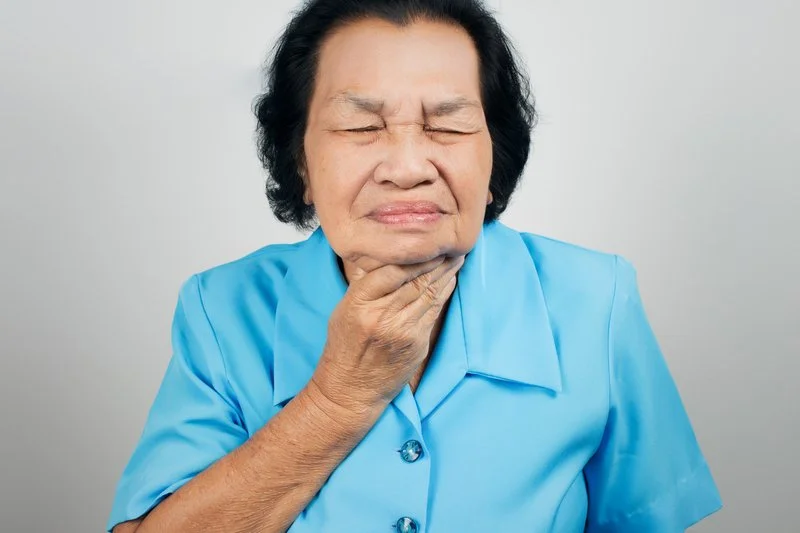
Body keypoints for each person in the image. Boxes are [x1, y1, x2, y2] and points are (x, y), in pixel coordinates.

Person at [107, 1, 723, 531]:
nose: (407, 169)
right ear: (301, 163)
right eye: (360, 126)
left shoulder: (597, 299)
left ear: (494, 161)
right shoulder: (222, 308)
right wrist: (336, 402)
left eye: (448, 127)